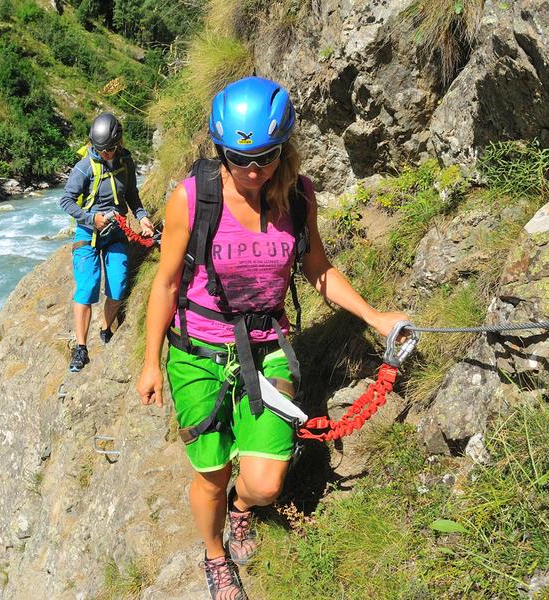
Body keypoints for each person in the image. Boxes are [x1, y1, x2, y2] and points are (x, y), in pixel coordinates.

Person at [135, 76, 409, 599]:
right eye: (239, 158)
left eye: (266, 156)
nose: (253, 170)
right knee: (212, 473)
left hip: (266, 348)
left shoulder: (298, 196)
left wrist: (373, 317)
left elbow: (318, 269)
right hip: (198, 353)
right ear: (221, 151)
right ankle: (214, 555)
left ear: (284, 147)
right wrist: (151, 361)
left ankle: (242, 508)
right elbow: (166, 283)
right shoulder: (192, 199)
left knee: (264, 484)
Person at [60, 113, 155, 373]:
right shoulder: (84, 167)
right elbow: (66, 200)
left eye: (110, 149)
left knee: (118, 285)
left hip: (116, 232)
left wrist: (142, 217)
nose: (106, 154)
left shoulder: (126, 162)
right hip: (88, 233)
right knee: (87, 287)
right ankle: (81, 348)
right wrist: (92, 218)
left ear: (119, 143)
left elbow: (132, 195)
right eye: (101, 149)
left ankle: (105, 328)